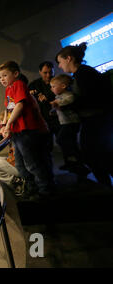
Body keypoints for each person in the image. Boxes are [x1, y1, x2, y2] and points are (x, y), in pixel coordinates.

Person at [55, 43, 113, 187]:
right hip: (97, 121)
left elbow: (89, 99)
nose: (60, 66)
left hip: (97, 121)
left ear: (68, 58)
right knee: (99, 156)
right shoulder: (82, 73)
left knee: (94, 156)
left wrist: (65, 106)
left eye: (60, 62)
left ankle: (105, 187)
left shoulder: (83, 74)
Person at [0, 60, 54, 200]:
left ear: (16, 74)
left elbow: (19, 106)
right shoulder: (8, 89)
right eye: (0, 77)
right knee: (20, 164)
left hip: (26, 131)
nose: (2, 79)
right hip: (17, 133)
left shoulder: (18, 85)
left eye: (5, 75)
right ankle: (31, 187)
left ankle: (45, 189)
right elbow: (8, 109)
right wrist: (4, 125)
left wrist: (8, 124)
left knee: (32, 163)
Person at [49, 74, 90, 175]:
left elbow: (69, 100)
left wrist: (57, 104)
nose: (51, 89)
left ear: (63, 86)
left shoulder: (68, 94)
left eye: (54, 86)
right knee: (68, 142)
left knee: (61, 139)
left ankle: (80, 160)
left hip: (72, 122)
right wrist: (54, 110)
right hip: (65, 122)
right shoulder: (58, 96)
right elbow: (58, 106)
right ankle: (73, 161)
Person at [28, 61, 60, 151]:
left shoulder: (60, 82)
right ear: (40, 72)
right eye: (45, 73)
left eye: (50, 72)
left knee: (64, 142)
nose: (48, 75)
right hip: (44, 119)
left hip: (59, 118)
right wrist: (30, 94)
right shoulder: (34, 84)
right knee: (47, 145)